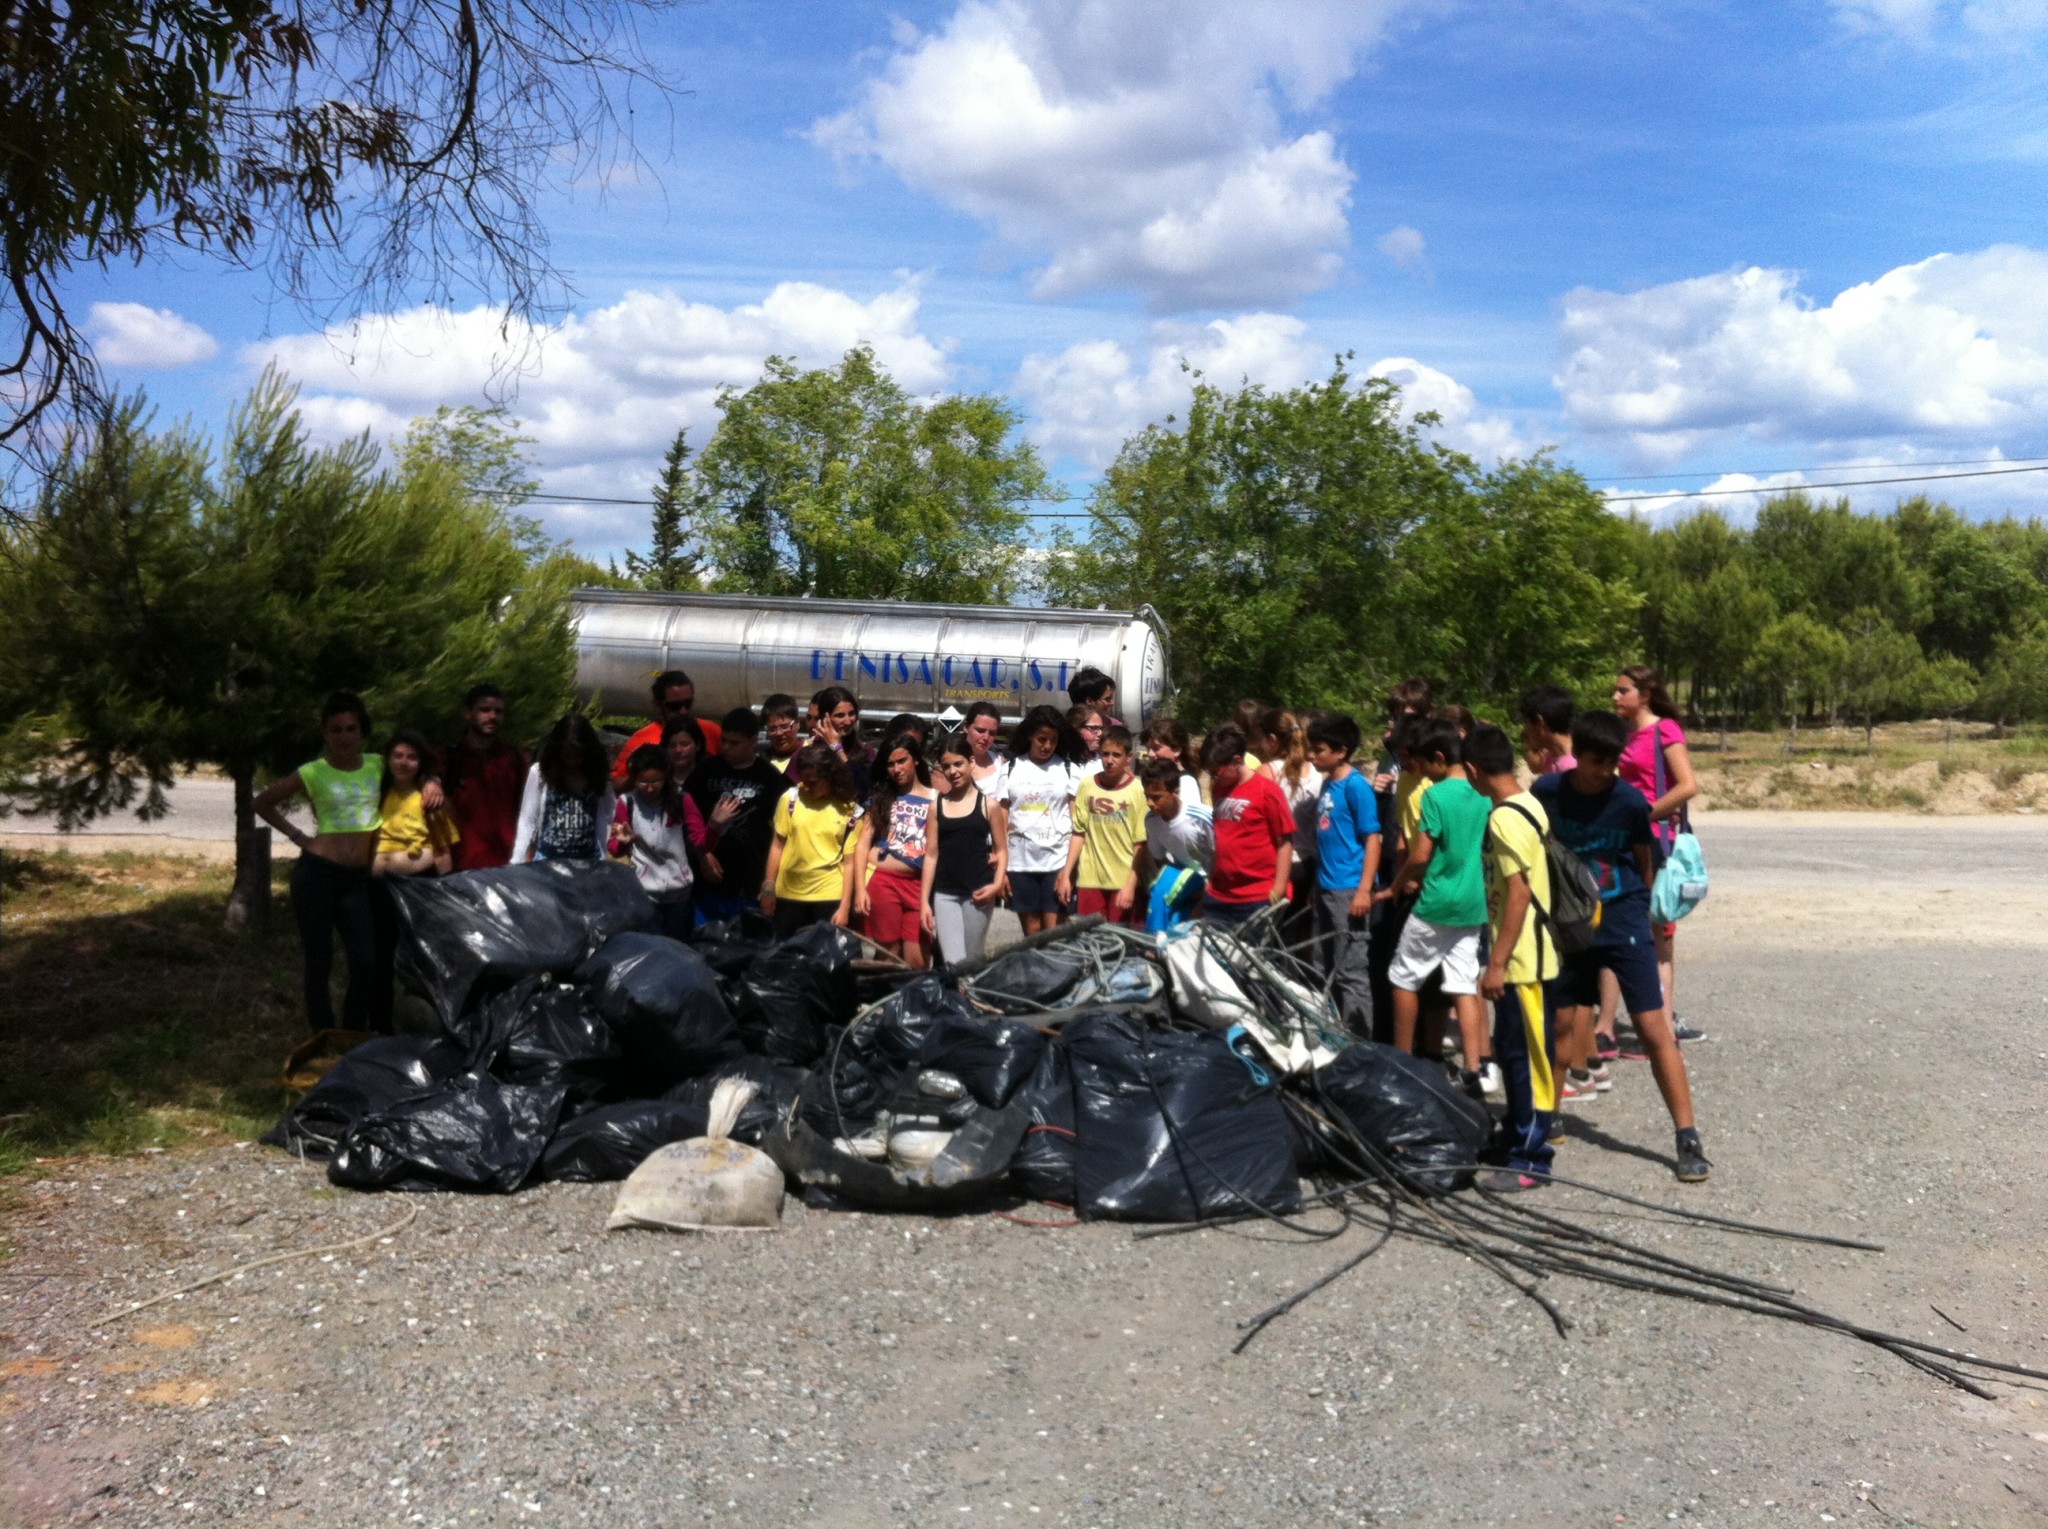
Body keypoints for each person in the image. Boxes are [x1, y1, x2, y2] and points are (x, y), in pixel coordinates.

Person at [1533, 711, 1710, 1183]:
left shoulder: (1630, 801)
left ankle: (1687, 1135)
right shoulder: (1547, 792)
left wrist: (1638, 917)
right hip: (1571, 926)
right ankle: (1546, 1117)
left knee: (1654, 1029)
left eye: (1612, 762)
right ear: (1578, 755)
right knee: (1563, 1021)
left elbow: (1643, 864)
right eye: (1595, 761)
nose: (1604, 771)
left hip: (1622, 920)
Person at [1374, 718, 1496, 1096]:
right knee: (1464, 982)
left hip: (1436, 900)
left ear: (1440, 758)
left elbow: (1421, 854)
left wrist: (1395, 885)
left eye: (1425, 763)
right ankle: (1475, 1069)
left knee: (1402, 976)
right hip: (1473, 903)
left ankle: (1403, 1060)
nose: (1423, 772)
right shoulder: (1483, 793)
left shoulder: (1436, 795)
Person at [255, 692, 386, 1033]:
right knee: (319, 960)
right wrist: (300, 837)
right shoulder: (314, 772)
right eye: (335, 730)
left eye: (350, 728)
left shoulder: (377, 764)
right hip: (318, 875)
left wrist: (430, 780)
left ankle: (353, 1030)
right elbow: (263, 803)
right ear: (326, 734)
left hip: (357, 879)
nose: (343, 736)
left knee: (365, 961)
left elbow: (413, 773)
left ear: (361, 731)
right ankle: (323, 1034)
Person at [1466, 724, 1560, 1191]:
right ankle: (1515, 1137)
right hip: (1522, 957)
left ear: (1472, 770)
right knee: (1513, 1053)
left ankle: (1533, 1157)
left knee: (1530, 1060)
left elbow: (1519, 893)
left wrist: (1497, 962)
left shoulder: (1504, 818)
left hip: (1525, 962)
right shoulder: (1528, 803)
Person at [1615, 665, 1703, 1041]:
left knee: (1659, 930)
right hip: (1628, 838)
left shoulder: (1664, 730)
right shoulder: (1624, 734)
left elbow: (1687, 786)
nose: (1615, 697)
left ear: (1645, 695)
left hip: (1656, 840)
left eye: (1623, 691)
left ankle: (1664, 1025)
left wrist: (1644, 814)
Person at [1306, 713, 1380, 1021]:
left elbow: (1373, 838)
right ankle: (1333, 1033)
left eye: (1319, 749)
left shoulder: (1356, 786)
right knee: (1323, 965)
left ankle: (1358, 1042)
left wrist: (1364, 890)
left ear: (1341, 751)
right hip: (1325, 887)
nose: (1312, 756)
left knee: (1351, 970)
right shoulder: (1328, 786)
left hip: (1349, 889)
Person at [688, 708, 789, 922]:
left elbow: (781, 832)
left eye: (735, 743)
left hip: (749, 882)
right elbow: (687, 818)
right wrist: (702, 854)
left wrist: (770, 884)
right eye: (724, 741)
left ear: (753, 741)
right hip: (707, 881)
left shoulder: (769, 777)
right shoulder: (706, 770)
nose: (726, 747)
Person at [609, 744, 710, 939]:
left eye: (656, 781)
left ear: (666, 776)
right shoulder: (627, 802)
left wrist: (715, 825)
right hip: (645, 894)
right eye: (642, 782)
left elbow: (701, 843)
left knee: (677, 949)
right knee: (649, 947)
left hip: (679, 895)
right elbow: (614, 847)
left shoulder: (682, 800)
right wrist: (623, 842)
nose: (649, 788)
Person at [923, 735, 1008, 966]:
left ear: (971, 762)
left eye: (958, 764)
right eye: (947, 766)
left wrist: (997, 885)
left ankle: (969, 1001)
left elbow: (1001, 851)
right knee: (953, 963)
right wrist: (924, 902)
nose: (953, 771)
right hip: (945, 892)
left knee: (972, 960)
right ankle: (955, 1000)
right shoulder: (936, 806)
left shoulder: (988, 804)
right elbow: (931, 855)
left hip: (978, 893)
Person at [853, 734, 937, 968]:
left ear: (916, 760)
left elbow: (934, 851)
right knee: (888, 953)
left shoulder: (935, 798)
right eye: (890, 764)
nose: (896, 769)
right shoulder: (882, 797)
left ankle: (914, 1002)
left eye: (902, 761)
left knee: (917, 959)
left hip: (917, 884)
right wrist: (860, 889)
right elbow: (862, 844)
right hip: (882, 881)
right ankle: (886, 1000)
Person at [998, 704, 1082, 935]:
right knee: (1032, 932)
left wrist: (1069, 871)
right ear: (1030, 736)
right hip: (1020, 863)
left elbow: (1078, 825)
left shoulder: (1068, 770)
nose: (1046, 746)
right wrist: (1002, 869)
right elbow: (1001, 821)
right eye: (1041, 739)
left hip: (1057, 861)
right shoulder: (1011, 769)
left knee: (1055, 932)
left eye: (1052, 740)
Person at [761, 743, 860, 937]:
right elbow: (777, 845)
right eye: (804, 781)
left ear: (830, 778)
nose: (807, 787)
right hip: (789, 894)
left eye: (814, 782)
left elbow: (849, 863)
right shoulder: (790, 800)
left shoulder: (850, 810)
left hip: (829, 895)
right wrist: (768, 887)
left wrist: (844, 908)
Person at [1200, 724, 1292, 927]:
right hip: (1220, 894)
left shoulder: (1266, 790)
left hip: (1257, 895)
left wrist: (1278, 888)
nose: (1214, 778)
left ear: (1237, 761)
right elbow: (1221, 837)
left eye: (1217, 772)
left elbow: (1285, 841)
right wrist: (1211, 878)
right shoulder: (1220, 790)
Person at [1065, 724, 1147, 925]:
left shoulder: (1138, 789)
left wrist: (1130, 884)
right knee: (1091, 941)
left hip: (1122, 879)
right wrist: (1067, 873)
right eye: (1105, 754)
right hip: (1090, 878)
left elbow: (1141, 844)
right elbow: (1079, 833)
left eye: (1117, 755)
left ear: (1129, 757)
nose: (1110, 761)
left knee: (1120, 943)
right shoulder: (1087, 785)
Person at [441, 683, 525, 870]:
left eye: (498, 711)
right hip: (462, 871)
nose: (492, 716)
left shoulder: (514, 759)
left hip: (508, 870)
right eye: (485, 710)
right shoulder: (448, 758)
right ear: (468, 713)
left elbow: (528, 813)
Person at [511, 715, 615, 863]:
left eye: (579, 754)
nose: (572, 760)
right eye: (567, 754)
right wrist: (517, 860)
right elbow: (527, 820)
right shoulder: (541, 773)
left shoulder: (597, 775)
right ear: (557, 748)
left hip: (588, 866)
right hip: (547, 864)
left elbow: (609, 817)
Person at [1259, 707, 1323, 934]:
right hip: (1308, 864)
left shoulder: (1267, 772)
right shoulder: (1316, 774)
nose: (1260, 747)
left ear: (1273, 740)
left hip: (1277, 865)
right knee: (1298, 934)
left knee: (1272, 934)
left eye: (1262, 741)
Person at [1133, 755, 1213, 931]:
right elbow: (1159, 858)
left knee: (1162, 890)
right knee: (1164, 897)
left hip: (1210, 880)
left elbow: (1225, 855)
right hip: (1183, 877)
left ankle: (1155, 943)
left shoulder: (1201, 817)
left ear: (1176, 792)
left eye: (1157, 797)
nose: (1150, 803)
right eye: (1147, 797)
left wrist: (1208, 889)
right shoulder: (1152, 821)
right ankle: (1157, 941)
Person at [373, 729, 457, 879]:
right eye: (398, 756)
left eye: (412, 757)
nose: (404, 763)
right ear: (388, 759)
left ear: (421, 762)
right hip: (378, 885)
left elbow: (442, 851)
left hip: (418, 884)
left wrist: (445, 887)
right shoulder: (376, 791)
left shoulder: (430, 798)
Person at [611, 670, 721, 784]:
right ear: (658, 704)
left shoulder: (711, 731)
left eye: (688, 703)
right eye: (675, 706)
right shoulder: (640, 741)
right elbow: (616, 783)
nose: (683, 711)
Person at [809, 685, 871, 798]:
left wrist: (838, 749)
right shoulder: (811, 751)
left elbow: (864, 788)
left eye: (851, 714)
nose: (848, 721)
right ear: (825, 718)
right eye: (840, 715)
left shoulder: (866, 751)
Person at [1139, 717, 1204, 807]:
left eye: (1156, 748)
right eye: (1148, 748)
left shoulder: (1186, 782)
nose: (1150, 754)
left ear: (1176, 750)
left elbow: (1188, 819)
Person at [1518, 684, 1577, 775]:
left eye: (1526, 723)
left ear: (1540, 722)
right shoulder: (1551, 761)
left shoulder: (1574, 770)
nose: (1525, 730)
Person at [960, 702, 1005, 788]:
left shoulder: (1001, 765)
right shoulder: (949, 762)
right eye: (980, 730)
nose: (986, 737)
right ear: (966, 727)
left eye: (992, 733)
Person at [760, 693, 804, 774]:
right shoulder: (761, 762)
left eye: (784, 726)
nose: (779, 733)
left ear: (797, 723)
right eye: (772, 729)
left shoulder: (813, 753)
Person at [1067, 703, 1106, 776]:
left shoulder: (1104, 764)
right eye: (1094, 728)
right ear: (1076, 728)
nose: (1100, 733)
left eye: (1101, 728)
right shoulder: (1059, 763)